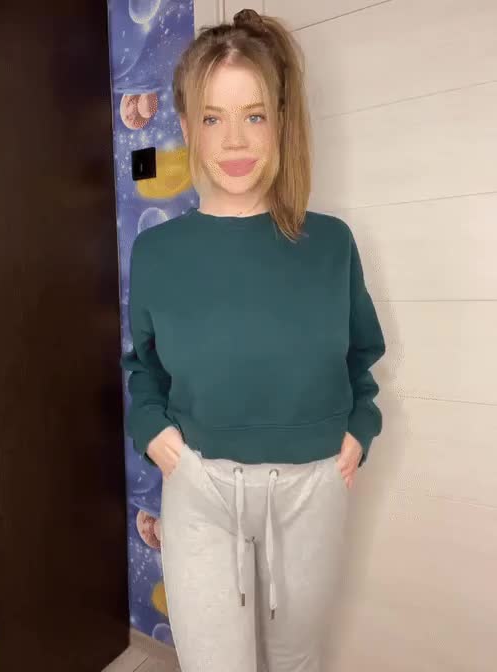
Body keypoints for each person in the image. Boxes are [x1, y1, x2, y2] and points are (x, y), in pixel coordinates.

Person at [121, 8, 386, 672]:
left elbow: (361, 356)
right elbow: (144, 367)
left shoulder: (331, 244)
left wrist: (360, 428)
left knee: (296, 659)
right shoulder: (157, 253)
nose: (235, 139)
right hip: (201, 486)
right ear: (187, 127)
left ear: (281, 122)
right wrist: (151, 427)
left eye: (255, 115)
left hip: (313, 489)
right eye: (213, 118)